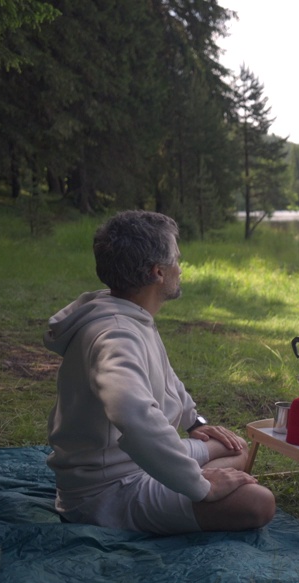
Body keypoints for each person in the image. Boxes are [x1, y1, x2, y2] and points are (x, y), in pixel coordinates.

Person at [44, 210, 276, 534]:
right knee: (258, 503)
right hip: (107, 490)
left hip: (137, 464)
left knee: (235, 447)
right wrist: (203, 487)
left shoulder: (130, 313)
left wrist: (193, 422)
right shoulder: (115, 335)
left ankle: (179, 476)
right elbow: (132, 414)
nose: (180, 269)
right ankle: (191, 484)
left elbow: (165, 377)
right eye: (176, 261)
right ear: (157, 272)